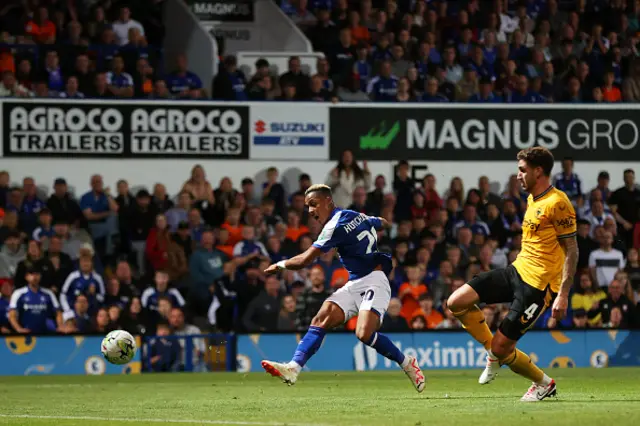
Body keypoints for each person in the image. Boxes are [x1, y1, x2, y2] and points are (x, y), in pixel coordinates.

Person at [261, 184, 425, 392]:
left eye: (313, 204)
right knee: (322, 317)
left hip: (375, 280)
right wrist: (380, 224)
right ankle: (293, 368)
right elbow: (381, 222)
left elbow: (304, 260)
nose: (310, 211)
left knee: (364, 333)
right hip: (355, 282)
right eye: (307, 207)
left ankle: (406, 362)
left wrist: (279, 265)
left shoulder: (333, 226)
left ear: (328, 201)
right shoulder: (355, 214)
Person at [448, 147, 577, 401]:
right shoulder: (533, 199)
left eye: (522, 170)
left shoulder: (558, 203)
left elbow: (572, 251)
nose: (518, 175)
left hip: (538, 287)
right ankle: (494, 355)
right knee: (456, 302)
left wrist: (563, 294)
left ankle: (543, 383)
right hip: (516, 270)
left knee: (503, 347)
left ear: (538, 171)